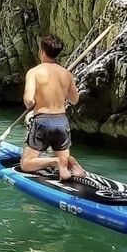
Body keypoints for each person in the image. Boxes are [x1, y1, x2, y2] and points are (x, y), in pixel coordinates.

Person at [20, 34, 86, 181]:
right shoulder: (66, 74)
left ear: (42, 51)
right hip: (62, 123)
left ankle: (54, 162)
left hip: (42, 122)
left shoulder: (34, 72)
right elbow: (74, 100)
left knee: (26, 164)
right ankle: (70, 163)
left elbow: (29, 100)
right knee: (64, 159)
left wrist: (33, 102)